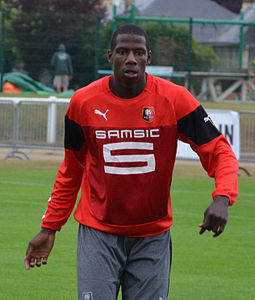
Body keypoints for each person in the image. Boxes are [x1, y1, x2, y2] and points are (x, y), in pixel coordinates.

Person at [24, 24, 239, 300]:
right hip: (98, 233)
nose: (131, 59)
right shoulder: (83, 102)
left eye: (138, 52)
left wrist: (223, 197)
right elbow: (71, 171)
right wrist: (49, 227)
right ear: (110, 56)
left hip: (152, 235)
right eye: (123, 52)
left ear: (148, 57)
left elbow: (219, 150)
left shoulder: (174, 99)